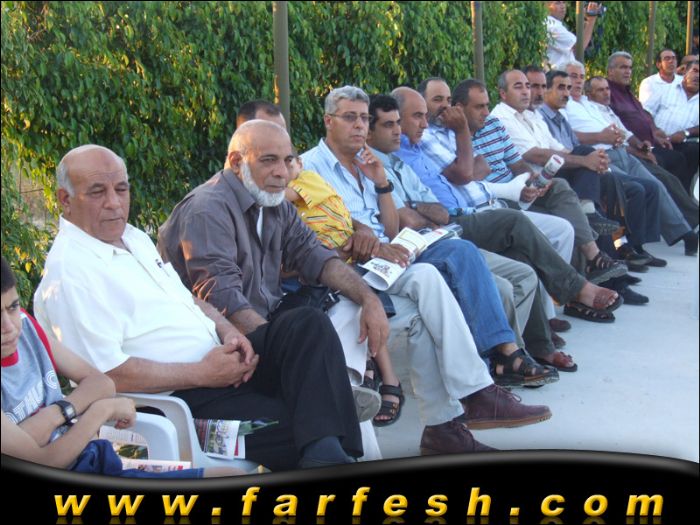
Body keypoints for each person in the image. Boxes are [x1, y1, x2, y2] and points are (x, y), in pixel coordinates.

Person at [34, 144, 364, 471]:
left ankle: (326, 453)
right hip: (181, 405)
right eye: (97, 192)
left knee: (307, 324)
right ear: (65, 199)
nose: (114, 202)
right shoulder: (71, 274)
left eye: (121, 189)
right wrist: (203, 373)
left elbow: (185, 298)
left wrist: (229, 331)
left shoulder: (131, 237)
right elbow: (108, 375)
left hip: (224, 363)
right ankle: (329, 453)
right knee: (307, 423)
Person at [302, 86, 553, 454]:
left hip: (386, 261)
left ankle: (443, 429)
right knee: (434, 272)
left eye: (363, 118)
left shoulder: (367, 163)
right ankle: (477, 392)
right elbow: (307, 231)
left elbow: (390, 229)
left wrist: (382, 184)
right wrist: (359, 234)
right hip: (346, 271)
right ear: (328, 121)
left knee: (429, 297)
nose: (359, 126)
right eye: (350, 117)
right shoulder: (308, 167)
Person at [368, 94, 625, 361]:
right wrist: (461, 132)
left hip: (459, 217)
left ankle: (538, 345)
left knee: (522, 259)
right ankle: (575, 289)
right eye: (414, 116)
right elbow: (448, 188)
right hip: (447, 229)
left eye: (402, 122)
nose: (440, 111)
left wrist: (421, 208)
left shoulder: (411, 151)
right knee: (515, 223)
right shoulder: (394, 155)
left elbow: (452, 197)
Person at [1, 256, 240, 478]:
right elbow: (43, 463)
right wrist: (100, 411)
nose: (9, 327)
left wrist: (56, 414)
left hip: (92, 458)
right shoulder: (68, 269)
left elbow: (101, 383)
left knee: (230, 476)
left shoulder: (25, 325)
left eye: (12, 307)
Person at [491, 69, 628, 285]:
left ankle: (613, 269)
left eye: (529, 86)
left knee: (596, 175)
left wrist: (593, 160)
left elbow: (559, 149)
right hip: (529, 183)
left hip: (547, 176)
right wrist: (585, 160)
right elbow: (535, 155)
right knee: (575, 186)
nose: (527, 92)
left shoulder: (532, 115)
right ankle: (603, 269)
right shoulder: (501, 118)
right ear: (503, 93)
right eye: (520, 87)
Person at [563, 61, 695, 263]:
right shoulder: (565, 106)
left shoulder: (590, 104)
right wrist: (601, 136)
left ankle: (673, 237)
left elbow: (623, 131)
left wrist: (639, 144)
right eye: (573, 76)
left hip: (623, 151)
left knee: (655, 186)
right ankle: (627, 248)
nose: (578, 81)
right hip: (601, 155)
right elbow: (570, 137)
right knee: (637, 189)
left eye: (581, 76)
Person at [539, 68, 662, 279]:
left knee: (629, 186)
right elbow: (555, 154)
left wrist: (597, 160)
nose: (567, 93)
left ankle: (626, 249)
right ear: (546, 90)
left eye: (568, 88)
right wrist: (590, 159)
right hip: (562, 174)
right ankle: (619, 251)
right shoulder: (541, 117)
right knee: (616, 185)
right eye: (561, 88)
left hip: (580, 168)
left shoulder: (560, 116)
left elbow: (571, 147)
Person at [607, 51, 696, 196]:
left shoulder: (626, 92)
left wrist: (655, 133)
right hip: (633, 148)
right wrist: (639, 147)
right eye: (623, 67)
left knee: (685, 155)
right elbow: (616, 126)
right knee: (672, 162)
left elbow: (643, 115)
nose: (628, 71)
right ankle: (679, 203)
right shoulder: (608, 92)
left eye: (629, 68)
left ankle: (684, 200)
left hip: (653, 142)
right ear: (610, 71)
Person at [643, 60, 699, 188]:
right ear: (685, 73)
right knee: (675, 159)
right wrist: (654, 130)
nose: (698, 76)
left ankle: (683, 193)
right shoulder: (666, 90)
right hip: (657, 140)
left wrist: (685, 132)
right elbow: (645, 112)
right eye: (695, 71)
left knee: (693, 151)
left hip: (683, 143)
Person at [545, 1, 600, 69]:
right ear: (546, 6)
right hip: (559, 73)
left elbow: (573, 51)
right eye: (557, 3)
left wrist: (586, 22)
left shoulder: (554, 24)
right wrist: (591, 20)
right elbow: (579, 48)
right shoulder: (553, 26)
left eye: (564, 2)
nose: (563, 6)